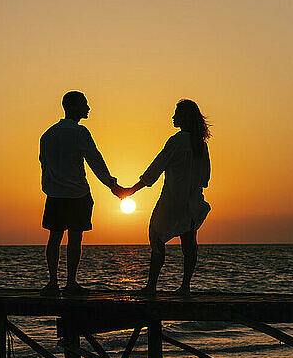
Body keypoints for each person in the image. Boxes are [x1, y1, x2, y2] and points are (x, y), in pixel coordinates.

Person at [116, 99, 211, 295]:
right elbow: (205, 178)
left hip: (172, 200)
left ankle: (151, 286)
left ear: (183, 117)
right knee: (189, 242)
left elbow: (155, 169)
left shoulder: (177, 141)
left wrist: (132, 190)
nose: (173, 116)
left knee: (157, 237)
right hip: (193, 201)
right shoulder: (200, 144)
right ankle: (185, 286)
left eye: (176, 112)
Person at [39, 91, 119, 296]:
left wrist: (50, 186)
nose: (88, 108)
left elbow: (44, 164)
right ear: (73, 106)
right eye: (84, 104)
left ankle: (52, 283)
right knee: (75, 239)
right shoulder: (80, 132)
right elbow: (95, 160)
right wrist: (111, 184)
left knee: (54, 238)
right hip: (77, 194)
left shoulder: (47, 134)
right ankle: (71, 282)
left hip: (55, 194)